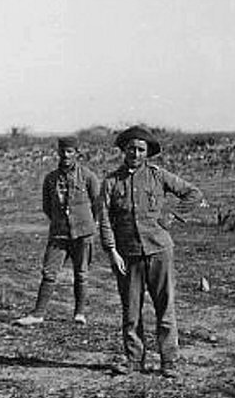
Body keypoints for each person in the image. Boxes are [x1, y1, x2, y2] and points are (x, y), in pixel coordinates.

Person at [99, 125, 205, 379]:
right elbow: (102, 219)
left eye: (140, 149)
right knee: (131, 311)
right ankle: (134, 360)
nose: (135, 153)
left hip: (159, 251)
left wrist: (172, 216)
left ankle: (169, 361)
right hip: (128, 255)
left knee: (165, 308)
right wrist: (112, 252)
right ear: (123, 151)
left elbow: (193, 194)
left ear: (147, 153)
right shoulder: (112, 182)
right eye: (131, 149)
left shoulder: (159, 176)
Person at [15, 135, 101, 327]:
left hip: (83, 233)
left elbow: (98, 204)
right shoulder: (50, 179)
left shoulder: (88, 176)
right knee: (49, 273)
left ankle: (79, 313)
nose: (65, 155)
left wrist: (89, 224)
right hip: (59, 234)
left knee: (81, 274)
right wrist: (61, 223)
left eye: (70, 151)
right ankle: (38, 313)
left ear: (77, 154)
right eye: (62, 151)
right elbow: (48, 207)